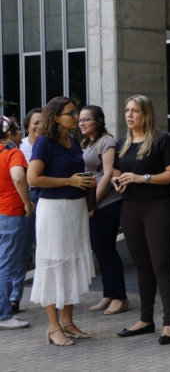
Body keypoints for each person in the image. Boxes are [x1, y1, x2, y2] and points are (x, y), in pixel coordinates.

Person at [112, 95, 170, 345]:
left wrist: (144, 178)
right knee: (142, 267)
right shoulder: (123, 143)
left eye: (135, 111)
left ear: (146, 115)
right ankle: (145, 320)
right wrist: (116, 181)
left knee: (161, 266)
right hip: (130, 209)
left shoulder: (161, 140)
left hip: (158, 208)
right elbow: (118, 173)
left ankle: (169, 324)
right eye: (127, 110)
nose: (129, 115)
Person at [27, 97, 96, 346]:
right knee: (53, 264)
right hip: (54, 210)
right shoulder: (44, 143)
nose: (76, 116)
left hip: (76, 209)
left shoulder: (74, 141)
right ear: (56, 117)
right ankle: (53, 326)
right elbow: (32, 177)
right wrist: (70, 181)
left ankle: (67, 321)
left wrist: (86, 182)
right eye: (70, 113)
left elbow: (73, 174)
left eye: (75, 111)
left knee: (70, 264)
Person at [79, 105, 128, 315]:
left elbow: (108, 175)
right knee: (99, 249)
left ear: (98, 121)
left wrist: (93, 204)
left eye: (86, 119)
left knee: (106, 249)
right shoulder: (84, 142)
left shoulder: (106, 141)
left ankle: (120, 297)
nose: (81, 123)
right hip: (92, 203)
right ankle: (108, 294)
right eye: (80, 119)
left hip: (107, 203)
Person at [0, 116, 34, 330]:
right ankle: (4, 315)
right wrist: (27, 203)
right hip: (11, 213)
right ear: (10, 134)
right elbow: (18, 178)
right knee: (6, 265)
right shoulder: (13, 153)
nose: (22, 134)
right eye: (18, 130)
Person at [11, 108, 41, 315]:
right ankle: (14, 297)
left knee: (47, 249)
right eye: (35, 122)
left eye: (43, 122)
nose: (39, 127)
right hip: (25, 200)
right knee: (22, 250)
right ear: (27, 125)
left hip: (49, 198)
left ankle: (49, 295)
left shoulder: (51, 146)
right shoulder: (18, 148)